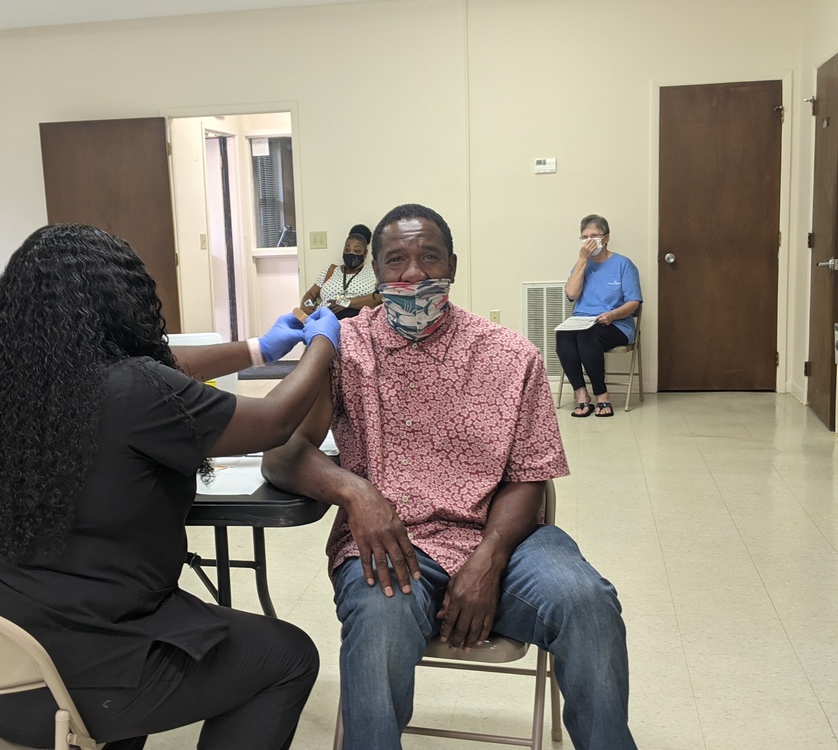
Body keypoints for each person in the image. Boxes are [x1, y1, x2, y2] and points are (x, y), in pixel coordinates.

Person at [0, 224, 341, 750]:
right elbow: (271, 422)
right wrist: (321, 345)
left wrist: (258, 349)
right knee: (285, 657)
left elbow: (164, 370)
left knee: (167, 636)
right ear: (120, 301)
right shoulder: (133, 390)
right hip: (75, 679)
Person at [263, 204, 636, 750]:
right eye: (396, 260)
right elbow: (283, 455)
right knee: (379, 625)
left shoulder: (510, 356)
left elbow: (529, 475)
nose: (412, 273)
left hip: (504, 541)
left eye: (428, 257)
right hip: (391, 547)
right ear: (376, 271)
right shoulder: (344, 348)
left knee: (588, 602)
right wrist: (356, 490)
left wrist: (489, 557)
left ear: (453, 266)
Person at [556, 214, 642, 418]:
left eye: (594, 235)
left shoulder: (623, 264)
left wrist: (612, 315)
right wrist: (582, 260)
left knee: (588, 337)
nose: (589, 240)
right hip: (582, 321)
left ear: (606, 238)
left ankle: (602, 396)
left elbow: (633, 302)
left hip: (617, 324)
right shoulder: (582, 265)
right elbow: (572, 294)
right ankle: (581, 395)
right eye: (584, 237)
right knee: (564, 337)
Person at [299, 223, 380, 319]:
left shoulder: (373, 273)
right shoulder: (331, 270)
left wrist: (346, 303)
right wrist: (306, 306)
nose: (351, 254)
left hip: (358, 321)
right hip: (323, 319)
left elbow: (379, 298)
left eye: (357, 251)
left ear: (365, 253)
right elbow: (311, 294)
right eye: (347, 249)